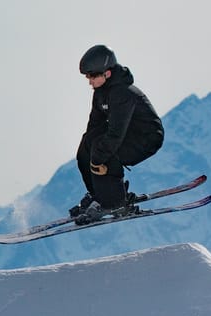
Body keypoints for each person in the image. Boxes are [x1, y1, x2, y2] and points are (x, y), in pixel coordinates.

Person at [70, 44, 164, 225]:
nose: (89, 80)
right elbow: (94, 126)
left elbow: (115, 136)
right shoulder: (100, 93)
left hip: (146, 138)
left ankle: (115, 203)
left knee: (103, 150)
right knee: (87, 145)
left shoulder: (122, 93)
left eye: (92, 75)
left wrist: (97, 158)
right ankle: (99, 196)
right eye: (87, 76)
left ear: (107, 73)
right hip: (125, 134)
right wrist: (87, 152)